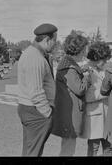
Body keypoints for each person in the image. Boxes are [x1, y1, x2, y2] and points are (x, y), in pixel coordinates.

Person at [17, 23, 58, 156]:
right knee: (33, 152)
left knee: (30, 151)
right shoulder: (35, 57)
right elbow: (36, 91)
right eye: (54, 41)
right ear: (47, 40)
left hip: (31, 109)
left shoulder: (32, 53)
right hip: (36, 112)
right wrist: (48, 113)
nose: (55, 44)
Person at [51, 31, 90, 156]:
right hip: (70, 114)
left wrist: (82, 70)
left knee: (67, 145)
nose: (85, 53)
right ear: (79, 50)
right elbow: (79, 89)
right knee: (68, 147)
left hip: (66, 111)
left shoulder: (67, 63)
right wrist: (87, 77)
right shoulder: (69, 68)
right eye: (84, 49)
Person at [80, 41, 112, 156]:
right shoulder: (85, 71)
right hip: (94, 116)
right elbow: (87, 96)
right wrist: (106, 93)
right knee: (93, 149)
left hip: (108, 114)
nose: (106, 62)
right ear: (96, 57)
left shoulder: (106, 69)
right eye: (103, 59)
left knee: (108, 148)